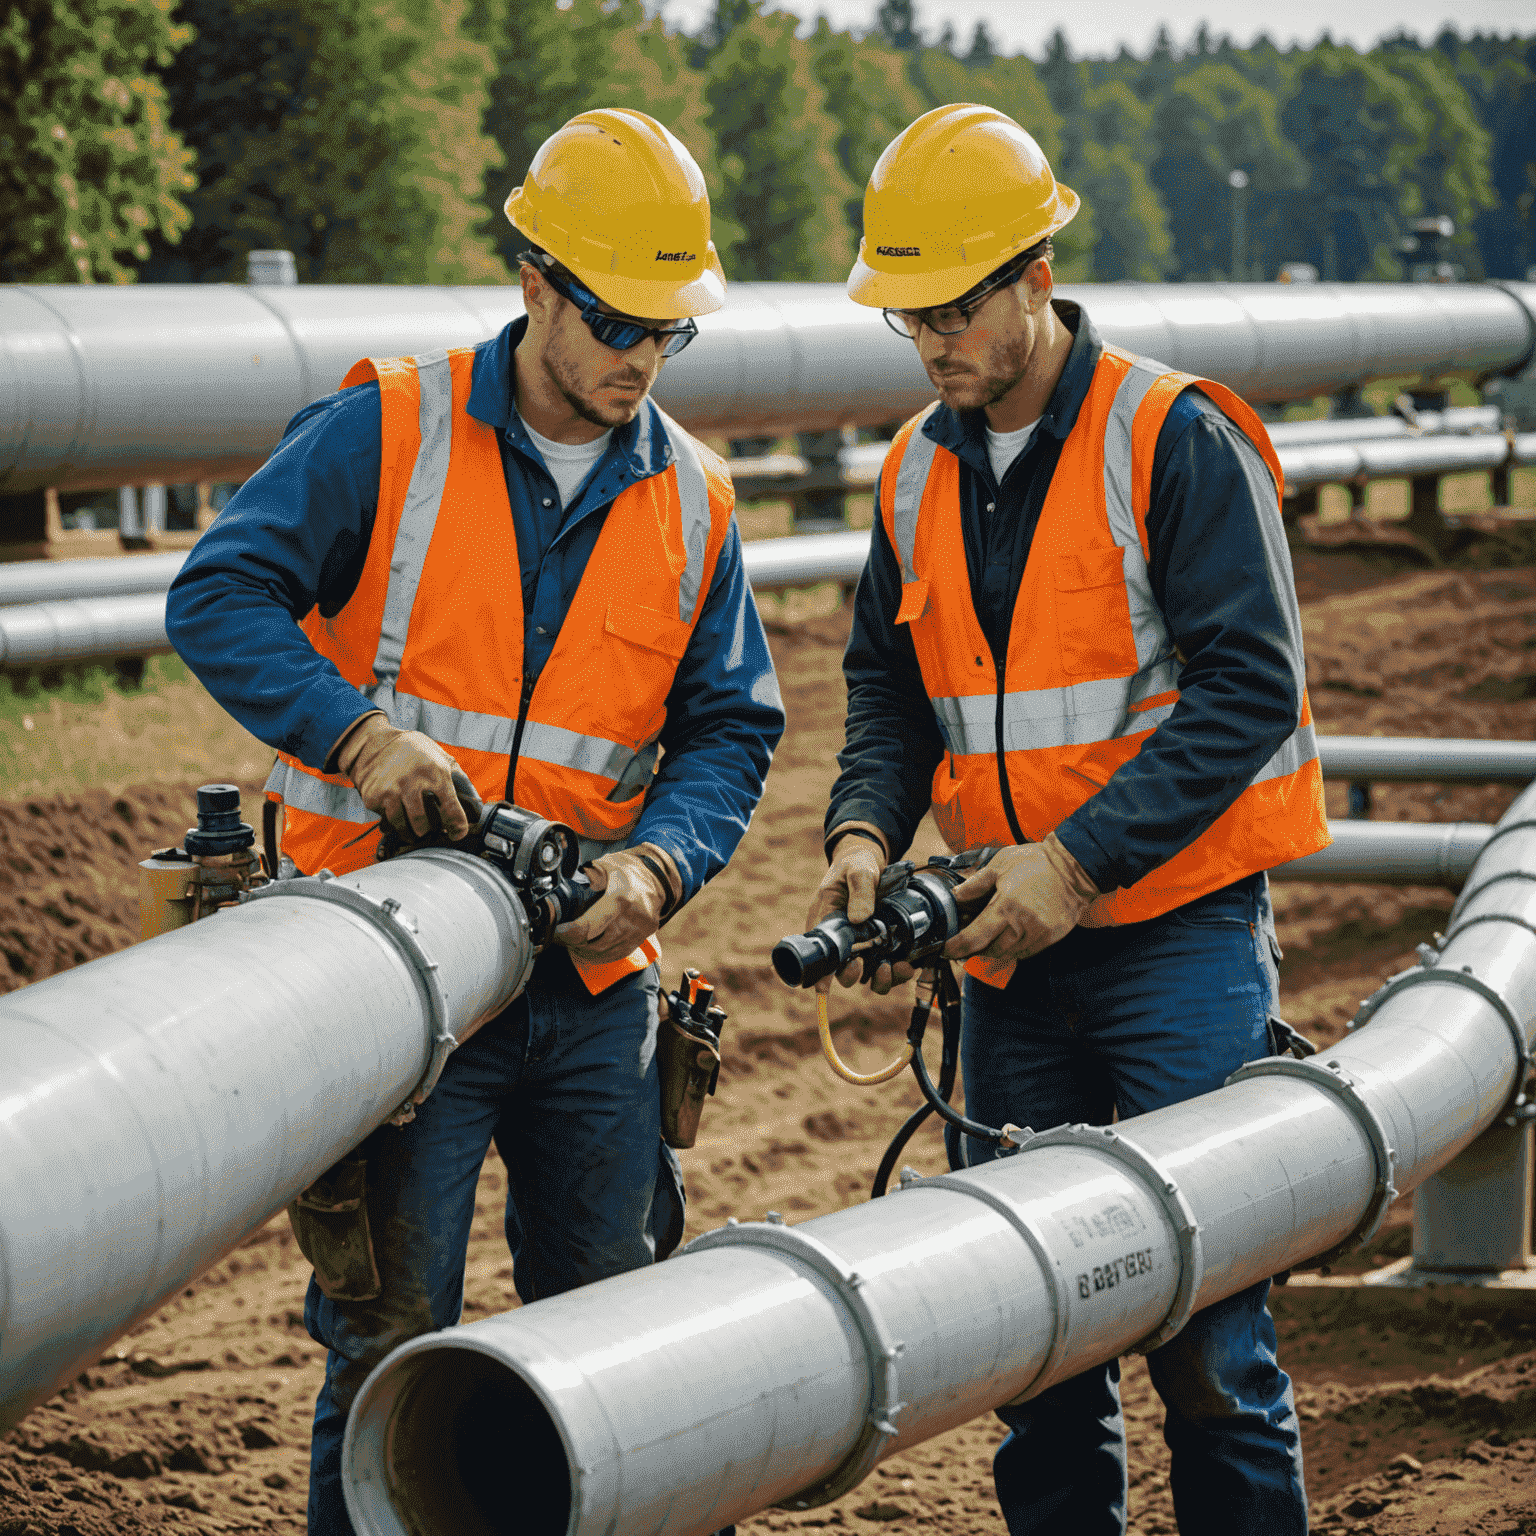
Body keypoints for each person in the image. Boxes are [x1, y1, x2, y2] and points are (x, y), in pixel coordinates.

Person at [166, 108, 784, 1535]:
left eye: (668, 330)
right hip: (395, 983)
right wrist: (360, 736)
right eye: (618, 318)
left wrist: (655, 863)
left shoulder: (692, 496)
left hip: (586, 996)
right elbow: (217, 596)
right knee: (391, 1353)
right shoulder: (390, 427)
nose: (641, 355)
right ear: (535, 282)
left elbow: (732, 728)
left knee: (620, 1349)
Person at [806, 104, 1329, 1536]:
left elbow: (1249, 691)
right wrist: (864, 828)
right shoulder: (918, 469)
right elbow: (886, 687)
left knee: (1213, 1351)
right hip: (1005, 963)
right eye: (910, 314)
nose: (932, 342)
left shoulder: (1171, 436)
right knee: (1033, 1347)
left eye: (958, 305)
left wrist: (1078, 862)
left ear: (1038, 274)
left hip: (1174, 947)